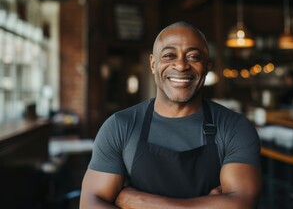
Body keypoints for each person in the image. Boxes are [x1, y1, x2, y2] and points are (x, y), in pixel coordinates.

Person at [80, 21, 262, 208]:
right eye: (169, 55)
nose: (181, 65)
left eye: (193, 56)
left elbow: (242, 204)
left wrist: (138, 201)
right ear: (153, 64)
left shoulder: (235, 128)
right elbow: (90, 204)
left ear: (207, 66)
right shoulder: (120, 126)